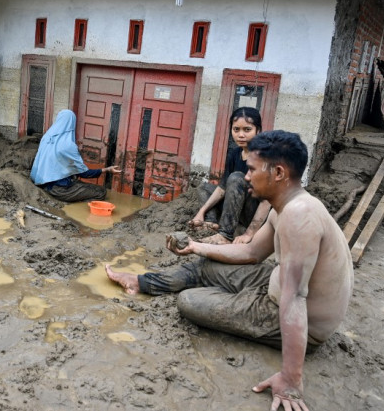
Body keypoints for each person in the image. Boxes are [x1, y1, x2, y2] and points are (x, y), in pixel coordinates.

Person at [106, 131, 353, 411]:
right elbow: (251, 253)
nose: (246, 177)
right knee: (207, 263)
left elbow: (295, 297)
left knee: (190, 302)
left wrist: (291, 380)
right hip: (276, 284)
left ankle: (215, 295)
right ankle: (141, 282)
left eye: (251, 169)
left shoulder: (299, 216)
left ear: (279, 172)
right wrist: (196, 247)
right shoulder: (283, 206)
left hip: (303, 320)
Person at [189, 107, 271, 244]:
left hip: (254, 212)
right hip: (236, 207)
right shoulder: (234, 154)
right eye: (236, 129)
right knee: (205, 188)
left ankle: (225, 235)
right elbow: (222, 188)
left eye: (247, 130)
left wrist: (249, 233)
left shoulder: (264, 156)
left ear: (258, 130)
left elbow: (267, 201)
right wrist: (201, 212)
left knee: (236, 178)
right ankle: (211, 222)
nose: (241, 135)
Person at [30, 109, 121, 202]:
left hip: (42, 182)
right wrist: (107, 169)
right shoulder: (68, 145)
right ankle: (74, 206)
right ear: (72, 123)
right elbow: (84, 173)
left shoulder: (47, 137)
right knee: (101, 192)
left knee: (77, 182)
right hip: (58, 189)